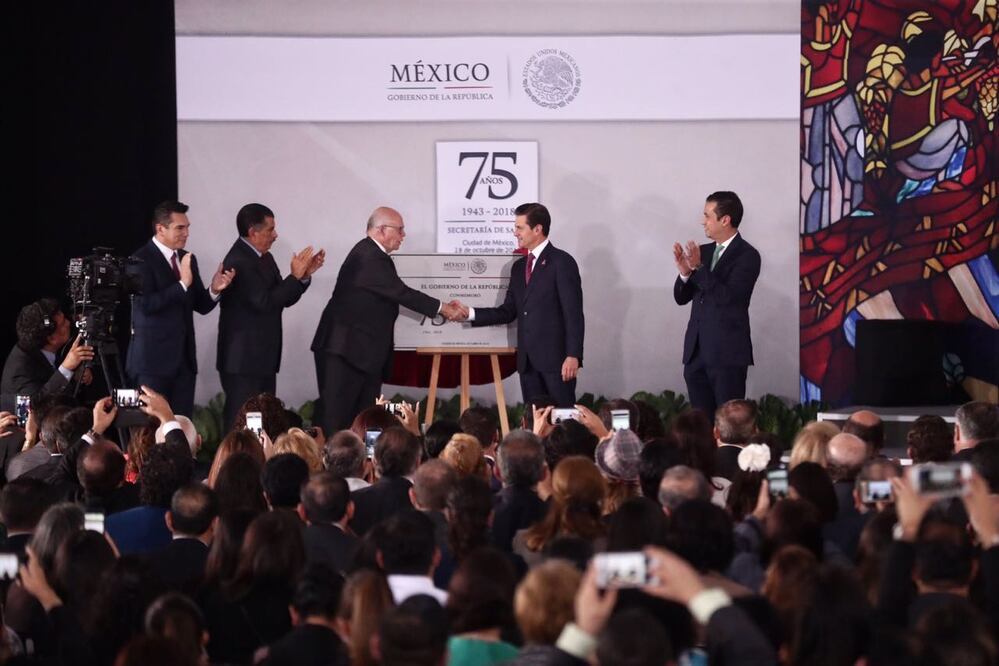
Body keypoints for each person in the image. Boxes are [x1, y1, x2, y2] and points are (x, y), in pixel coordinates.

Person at [311, 206, 463, 433]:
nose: (403, 235)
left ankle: (363, 464)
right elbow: (401, 293)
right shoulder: (369, 256)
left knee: (363, 421)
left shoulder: (373, 255)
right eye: (400, 230)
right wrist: (443, 309)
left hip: (358, 353)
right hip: (345, 352)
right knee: (338, 419)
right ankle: (334, 466)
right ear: (382, 230)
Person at [457, 203, 585, 407]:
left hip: (557, 362)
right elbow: (508, 312)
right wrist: (469, 313)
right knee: (535, 423)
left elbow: (573, 314)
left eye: (519, 227)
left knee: (563, 423)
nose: (515, 232)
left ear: (537, 229)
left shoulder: (562, 262)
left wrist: (573, 355)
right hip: (528, 364)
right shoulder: (518, 268)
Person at [217, 203, 325, 429]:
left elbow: (282, 298)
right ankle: (232, 463)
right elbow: (264, 302)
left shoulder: (264, 258)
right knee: (242, 424)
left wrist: (303, 277)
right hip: (242, 361)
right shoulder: (239, 260)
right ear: (253, 231)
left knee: (263, 422)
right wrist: (294, 277)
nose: (275, 235)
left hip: (262, 358)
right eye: (270, 229)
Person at [127, 200, 235, 417]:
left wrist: (215, 288)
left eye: (187, 227)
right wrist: (182, 284)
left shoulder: (187, 259)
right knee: (149, 433)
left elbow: (200, 305)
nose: (186, 233)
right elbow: (145, 305)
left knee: (181, 428)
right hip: (152, 365)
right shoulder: (139, 260)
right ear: (160, 228)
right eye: (180, 228)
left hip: (184, 364)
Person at [673, 191, 761, 417]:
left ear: (725, 219)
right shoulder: (703, 251)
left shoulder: (748, 255)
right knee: (701, 423)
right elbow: (681, 298)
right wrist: (684, 274)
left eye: (707, 215)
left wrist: (699, 270)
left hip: (727, 354)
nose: (703, 221)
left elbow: (730, 299)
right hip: (696, 353)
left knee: (728, 422)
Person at [1, 299, 93, 411]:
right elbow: (35, 407)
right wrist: (66, 368)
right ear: (51, 338)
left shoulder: (46, 348)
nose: (69, 323)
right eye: (63, 323)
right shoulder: (21, 369)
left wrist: (73, 374)